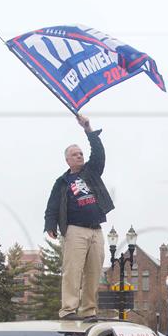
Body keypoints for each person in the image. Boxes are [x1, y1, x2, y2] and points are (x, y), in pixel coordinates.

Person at [44, 114, 114, 321]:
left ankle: (88, 311)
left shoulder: (91, 172)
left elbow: (99, 154)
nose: (79, 156)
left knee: (94, 272)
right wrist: (50, 224)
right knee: (72, 271)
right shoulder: (62, 182)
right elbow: (52, 205)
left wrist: (88, 130)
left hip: (96, 230)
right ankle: (68, 310)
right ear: (67, 160)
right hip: (74, 230)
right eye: (75, 154)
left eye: (81, 153)